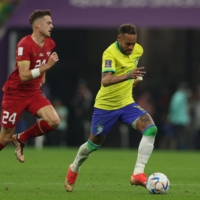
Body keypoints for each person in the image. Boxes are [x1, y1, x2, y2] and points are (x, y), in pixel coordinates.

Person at [64, 24, 157, 192]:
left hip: (127, 104)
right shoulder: (109, 53)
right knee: (92, 145)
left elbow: (133, 70)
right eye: (128, 44)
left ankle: (137, 173)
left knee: (151, 129)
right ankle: (75, 166)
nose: (131, 47)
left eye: (133, 43)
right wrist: (129, 76)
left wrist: (135, 80)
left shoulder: (138, 50)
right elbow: (105, 80)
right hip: (106, 107)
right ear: (119, 38)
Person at [0, 9, 60, 162]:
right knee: (5, 137)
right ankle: (13, 138)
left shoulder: (49, 43)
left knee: (54, 121)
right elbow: (24, 75)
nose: (52, 26)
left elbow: (43, 57)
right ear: (38, 25)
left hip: (33, 93)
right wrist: (47, 67)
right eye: (48, 23)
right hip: (15, 94)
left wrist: (43, 74)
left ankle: (21, 138)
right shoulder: (24, 44)